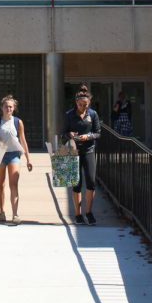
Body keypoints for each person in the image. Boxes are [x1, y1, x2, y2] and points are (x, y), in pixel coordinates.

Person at [0, 95, 33, 225]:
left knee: (14, 184)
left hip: (14, 154)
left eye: (11, 107)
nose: (8, 108)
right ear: (2, 108)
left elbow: (23, 140)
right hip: (0, 152)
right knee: (0, 184)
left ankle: (15, 214)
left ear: (14, 109)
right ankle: (2, 211)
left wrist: (28, 159)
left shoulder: (18, 122)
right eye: (6, 106)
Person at [64, 84, 101, 225]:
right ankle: (78, 214)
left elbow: (98, 133)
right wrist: (70, 134)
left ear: (89, 103)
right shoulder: (69, 115)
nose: (83, 107)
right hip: (74, 152)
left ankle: (89, 212)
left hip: (89, 150)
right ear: (76, 102)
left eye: (85, 105)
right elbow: (63, 133)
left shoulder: (93, 114)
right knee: (76, 184)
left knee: (91, 182)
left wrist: (89, 136)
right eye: (80, 104)